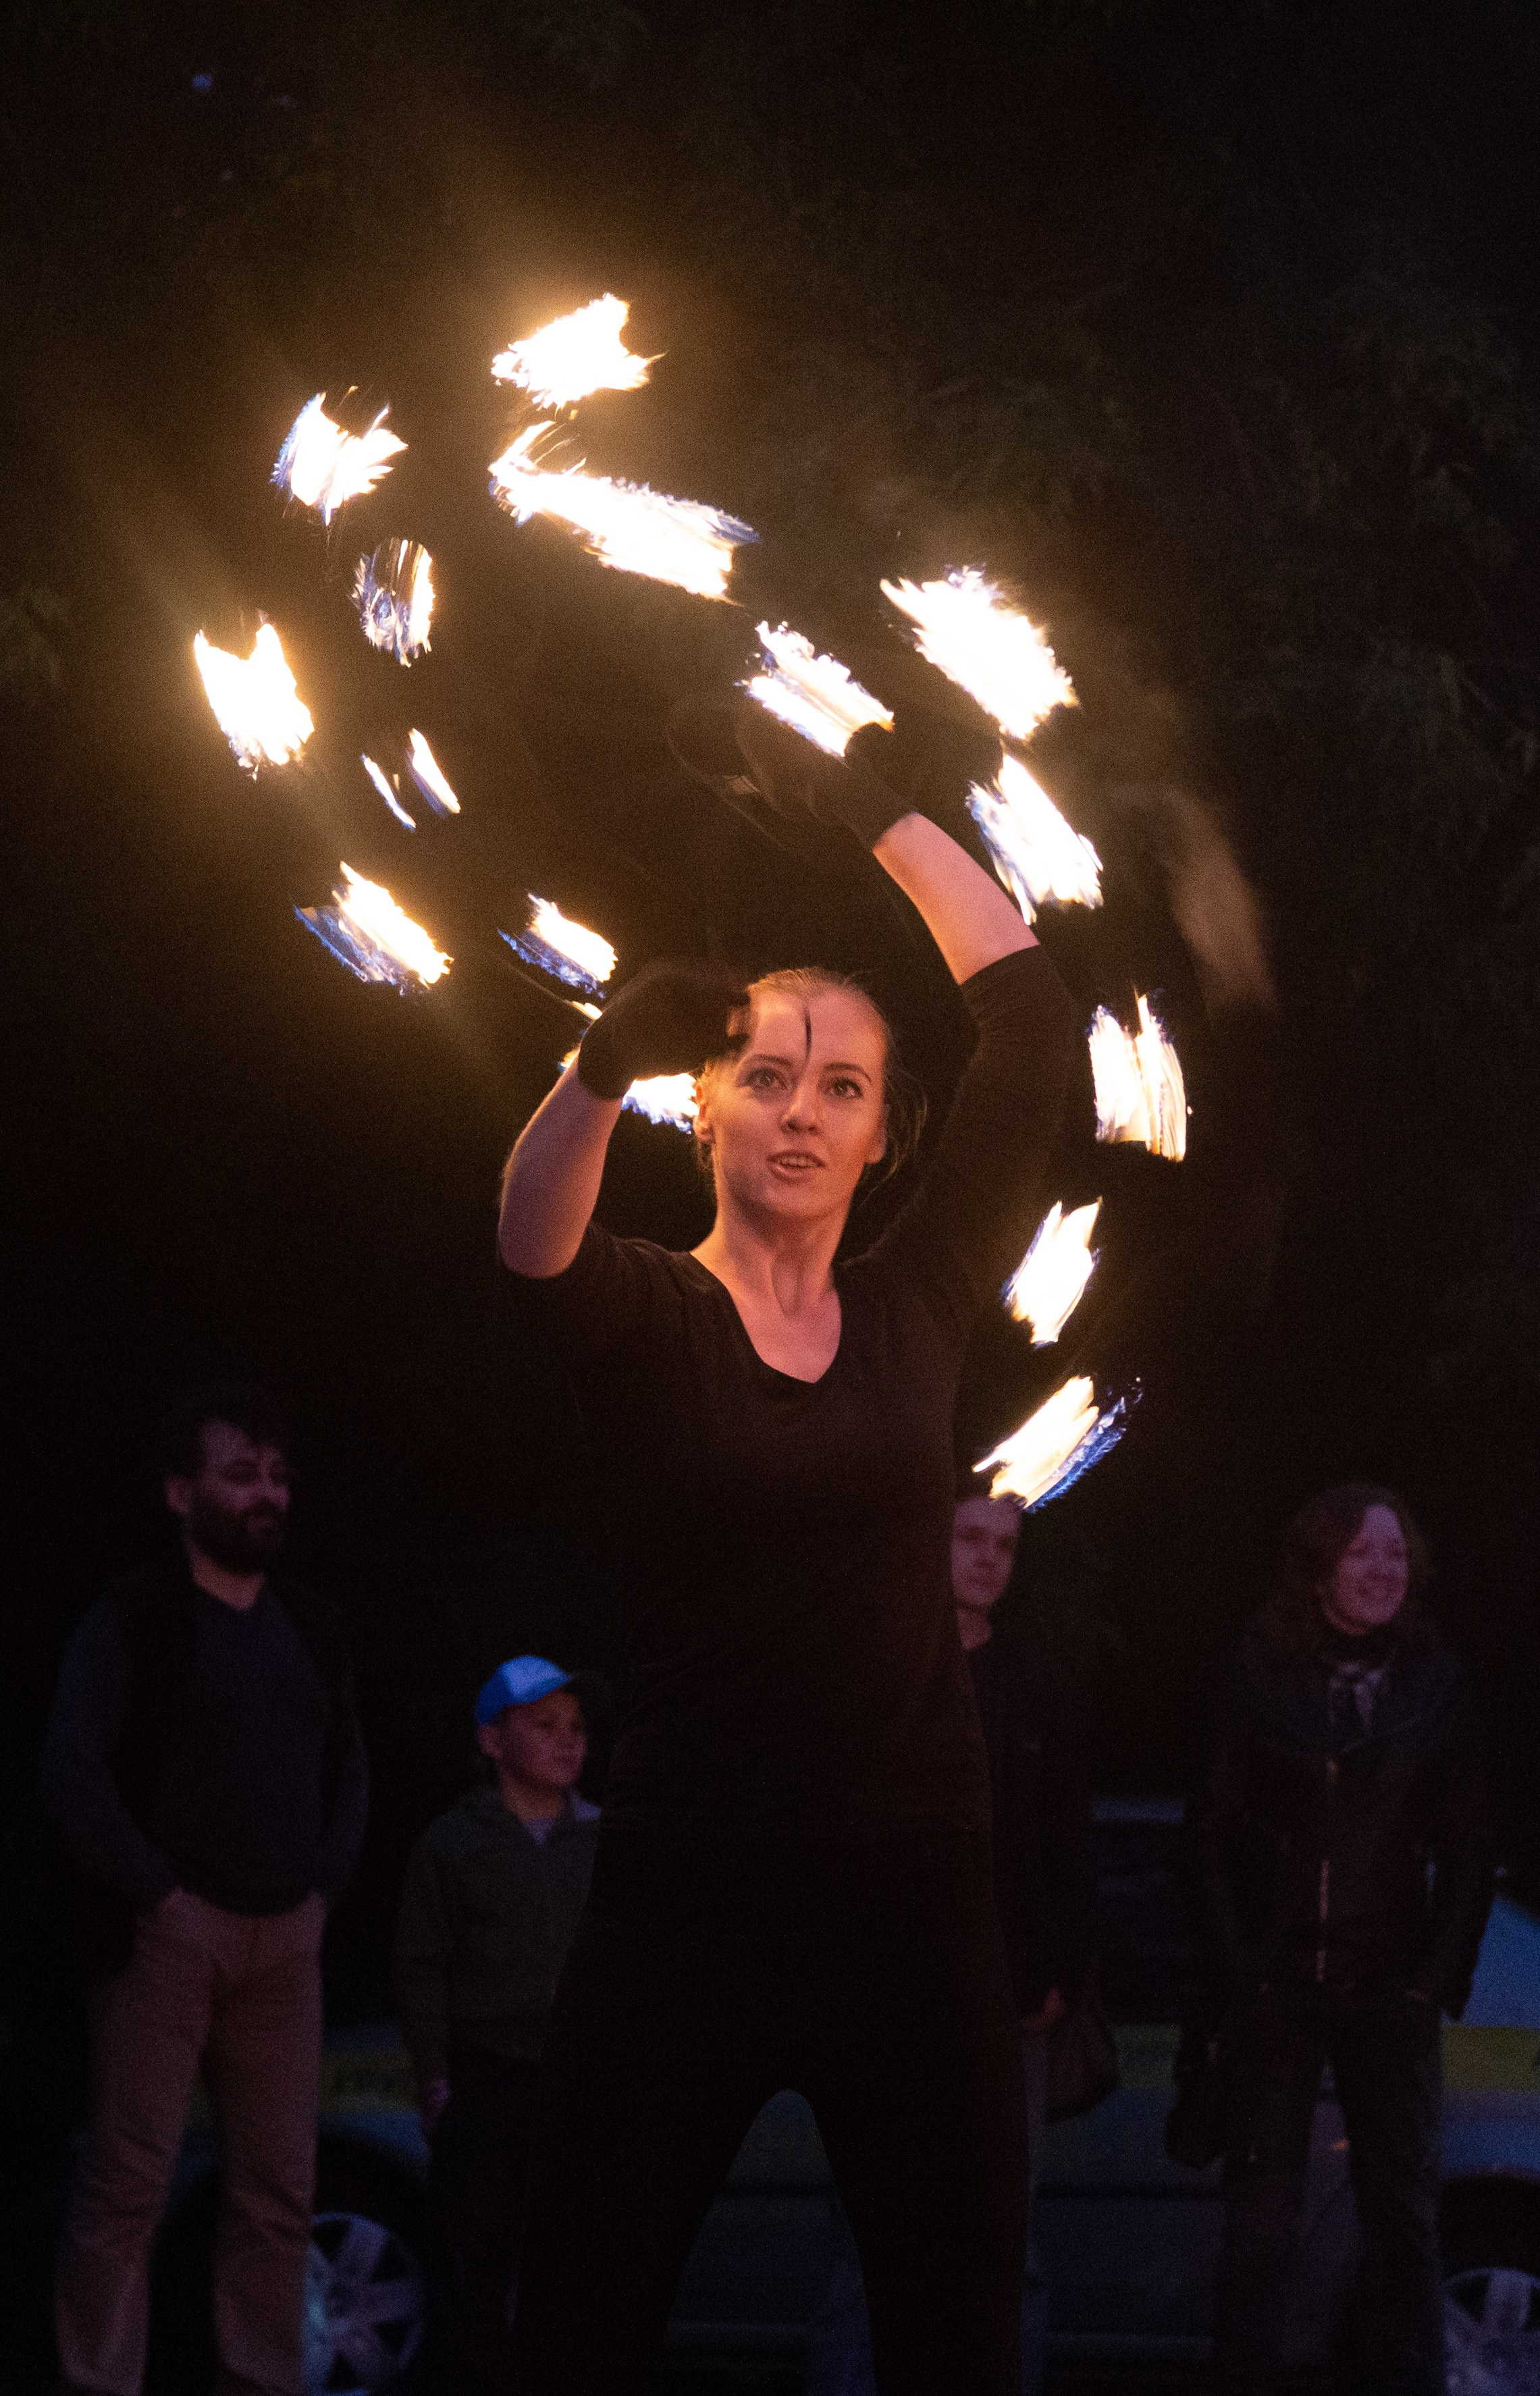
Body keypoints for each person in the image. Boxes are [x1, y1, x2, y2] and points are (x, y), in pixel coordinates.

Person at [496, 703, 1078, 2396]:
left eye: (841, 1088)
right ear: (706, 1113)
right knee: (581, 2320)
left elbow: (1029, 1023)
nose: (802, 1114)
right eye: (763, 1079)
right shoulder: (647, 1314)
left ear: (886, 1133)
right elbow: (531, 1240)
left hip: (912, 1893)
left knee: (952, 2332)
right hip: (686, 1887)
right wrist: (595, 1065)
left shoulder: (913, 1307)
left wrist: (870, 804)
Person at [41, 1385, 369, 2396]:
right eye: (240, 1474)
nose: (266, 1493)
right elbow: (71, 1768)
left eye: (276, 1476)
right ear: (183, 1493)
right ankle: (98, 2380)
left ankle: (261, 2380)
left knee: (277, 2191)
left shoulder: (312, 1626)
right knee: (127, 2183)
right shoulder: (136, 1615)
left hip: (284, 1940)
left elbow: (349, 1768)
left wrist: (321, 1893)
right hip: (170, 1933)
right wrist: (157, 1894)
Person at [1187, 1483, 1493, 2396]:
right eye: (1363, 1554)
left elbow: (1472, 1847)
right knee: (1259, 2233)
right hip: (1281, 1985)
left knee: (1403, 2228)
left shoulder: (1435, 1684)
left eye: (1395, 1555)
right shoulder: (1259, 1673)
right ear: (1321, 1566)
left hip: (1388, 1988)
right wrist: (1242, 1975)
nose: (1383, 1572)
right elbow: (1205, 1836)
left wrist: (1431, 1980)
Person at [804, 1490, 1092, 2396]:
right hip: (892, 2004)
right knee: (872, 2233)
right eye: (969, 1537)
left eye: (1004, 1543)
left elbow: (1065, 1843)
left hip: (1008, 2007)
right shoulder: (875, 1675)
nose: (987, 1557)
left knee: (1005, 2239)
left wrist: (1054, 1978)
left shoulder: (1035, 1686)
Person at [394, 1655, 600, 2396]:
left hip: (577, 2080)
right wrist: (437, 2080)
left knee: (574, 2264)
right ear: (492, 1741)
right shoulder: (454, 1844)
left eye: (576, 1727)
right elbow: (421, 1966)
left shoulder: (603, 1842)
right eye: (543, 1726)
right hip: (488, 2076)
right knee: (473, 2269)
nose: (568, 1741)